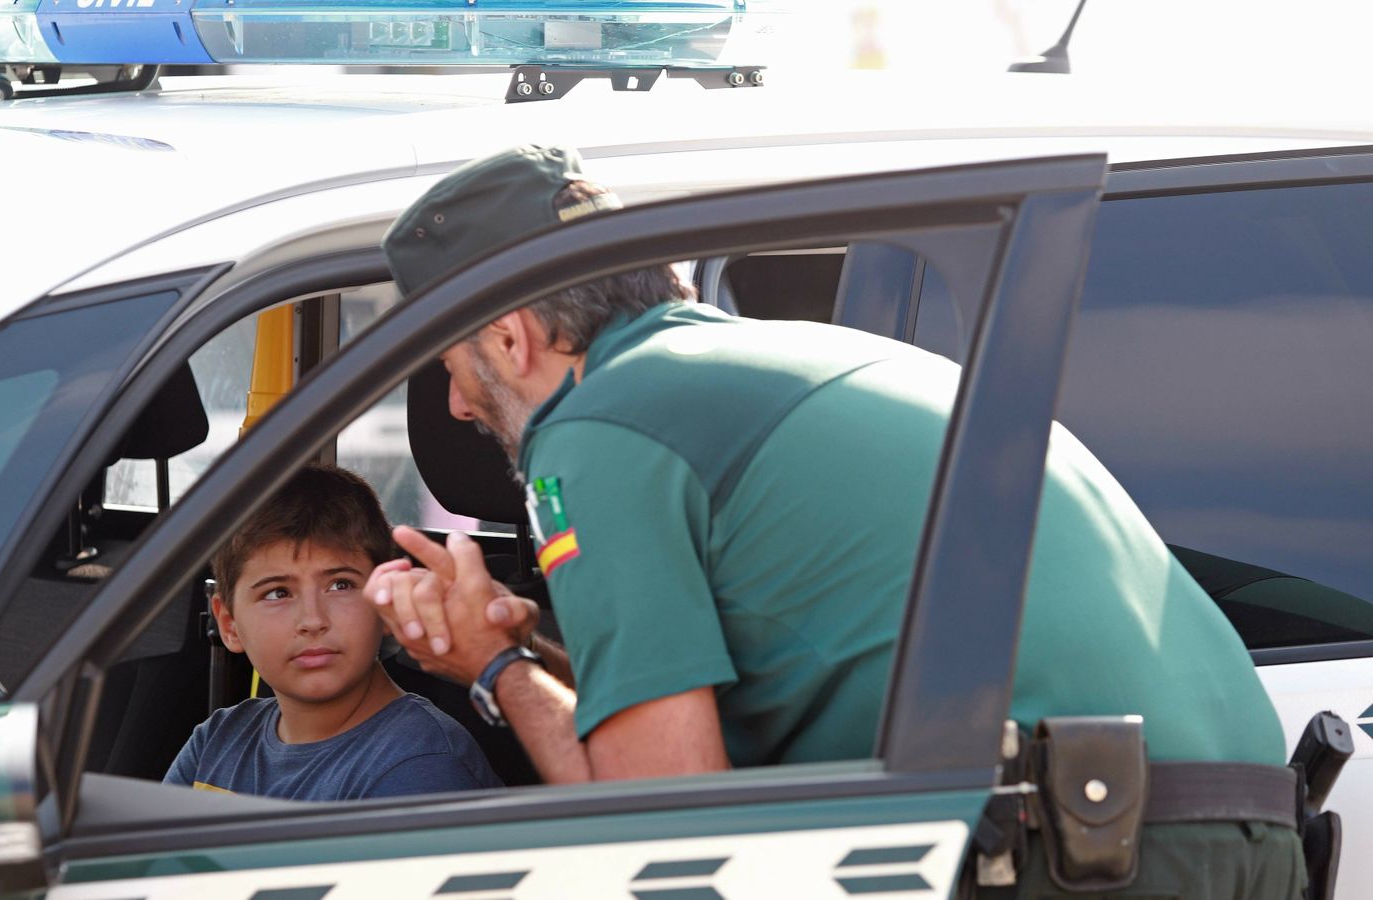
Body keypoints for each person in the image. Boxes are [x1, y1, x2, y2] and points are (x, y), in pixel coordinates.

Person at [365, 144, 1306, 897]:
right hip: (1232, 818)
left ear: (507, 336)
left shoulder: (601, 428)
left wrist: (493, 672)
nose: (451, 404)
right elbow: (730, 705)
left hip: (1084, 845)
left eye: (445, 361)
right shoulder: (771, 363)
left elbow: (666, 827)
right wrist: (528, 647)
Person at [165, 464, 500, 801]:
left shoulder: (421, 766)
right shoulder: (216, 742)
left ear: (387, 601)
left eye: (340, 585)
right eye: (278, 593)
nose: (312, 620)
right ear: (229, 625)